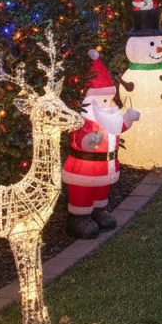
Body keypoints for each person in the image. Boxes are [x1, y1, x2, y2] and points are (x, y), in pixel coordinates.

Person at [63, 50, 140, 238]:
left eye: (110, 99)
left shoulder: (109, 117)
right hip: (84, 168)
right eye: (104, 100)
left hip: (107, 167)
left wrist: (128, 120)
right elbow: (81, 137)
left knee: (101, 191)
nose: (109, 104)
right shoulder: (85, 120)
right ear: (90, 102)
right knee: (84, 191)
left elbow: (117, 127)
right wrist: (90, 141)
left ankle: (99, 211)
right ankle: (79, 217)